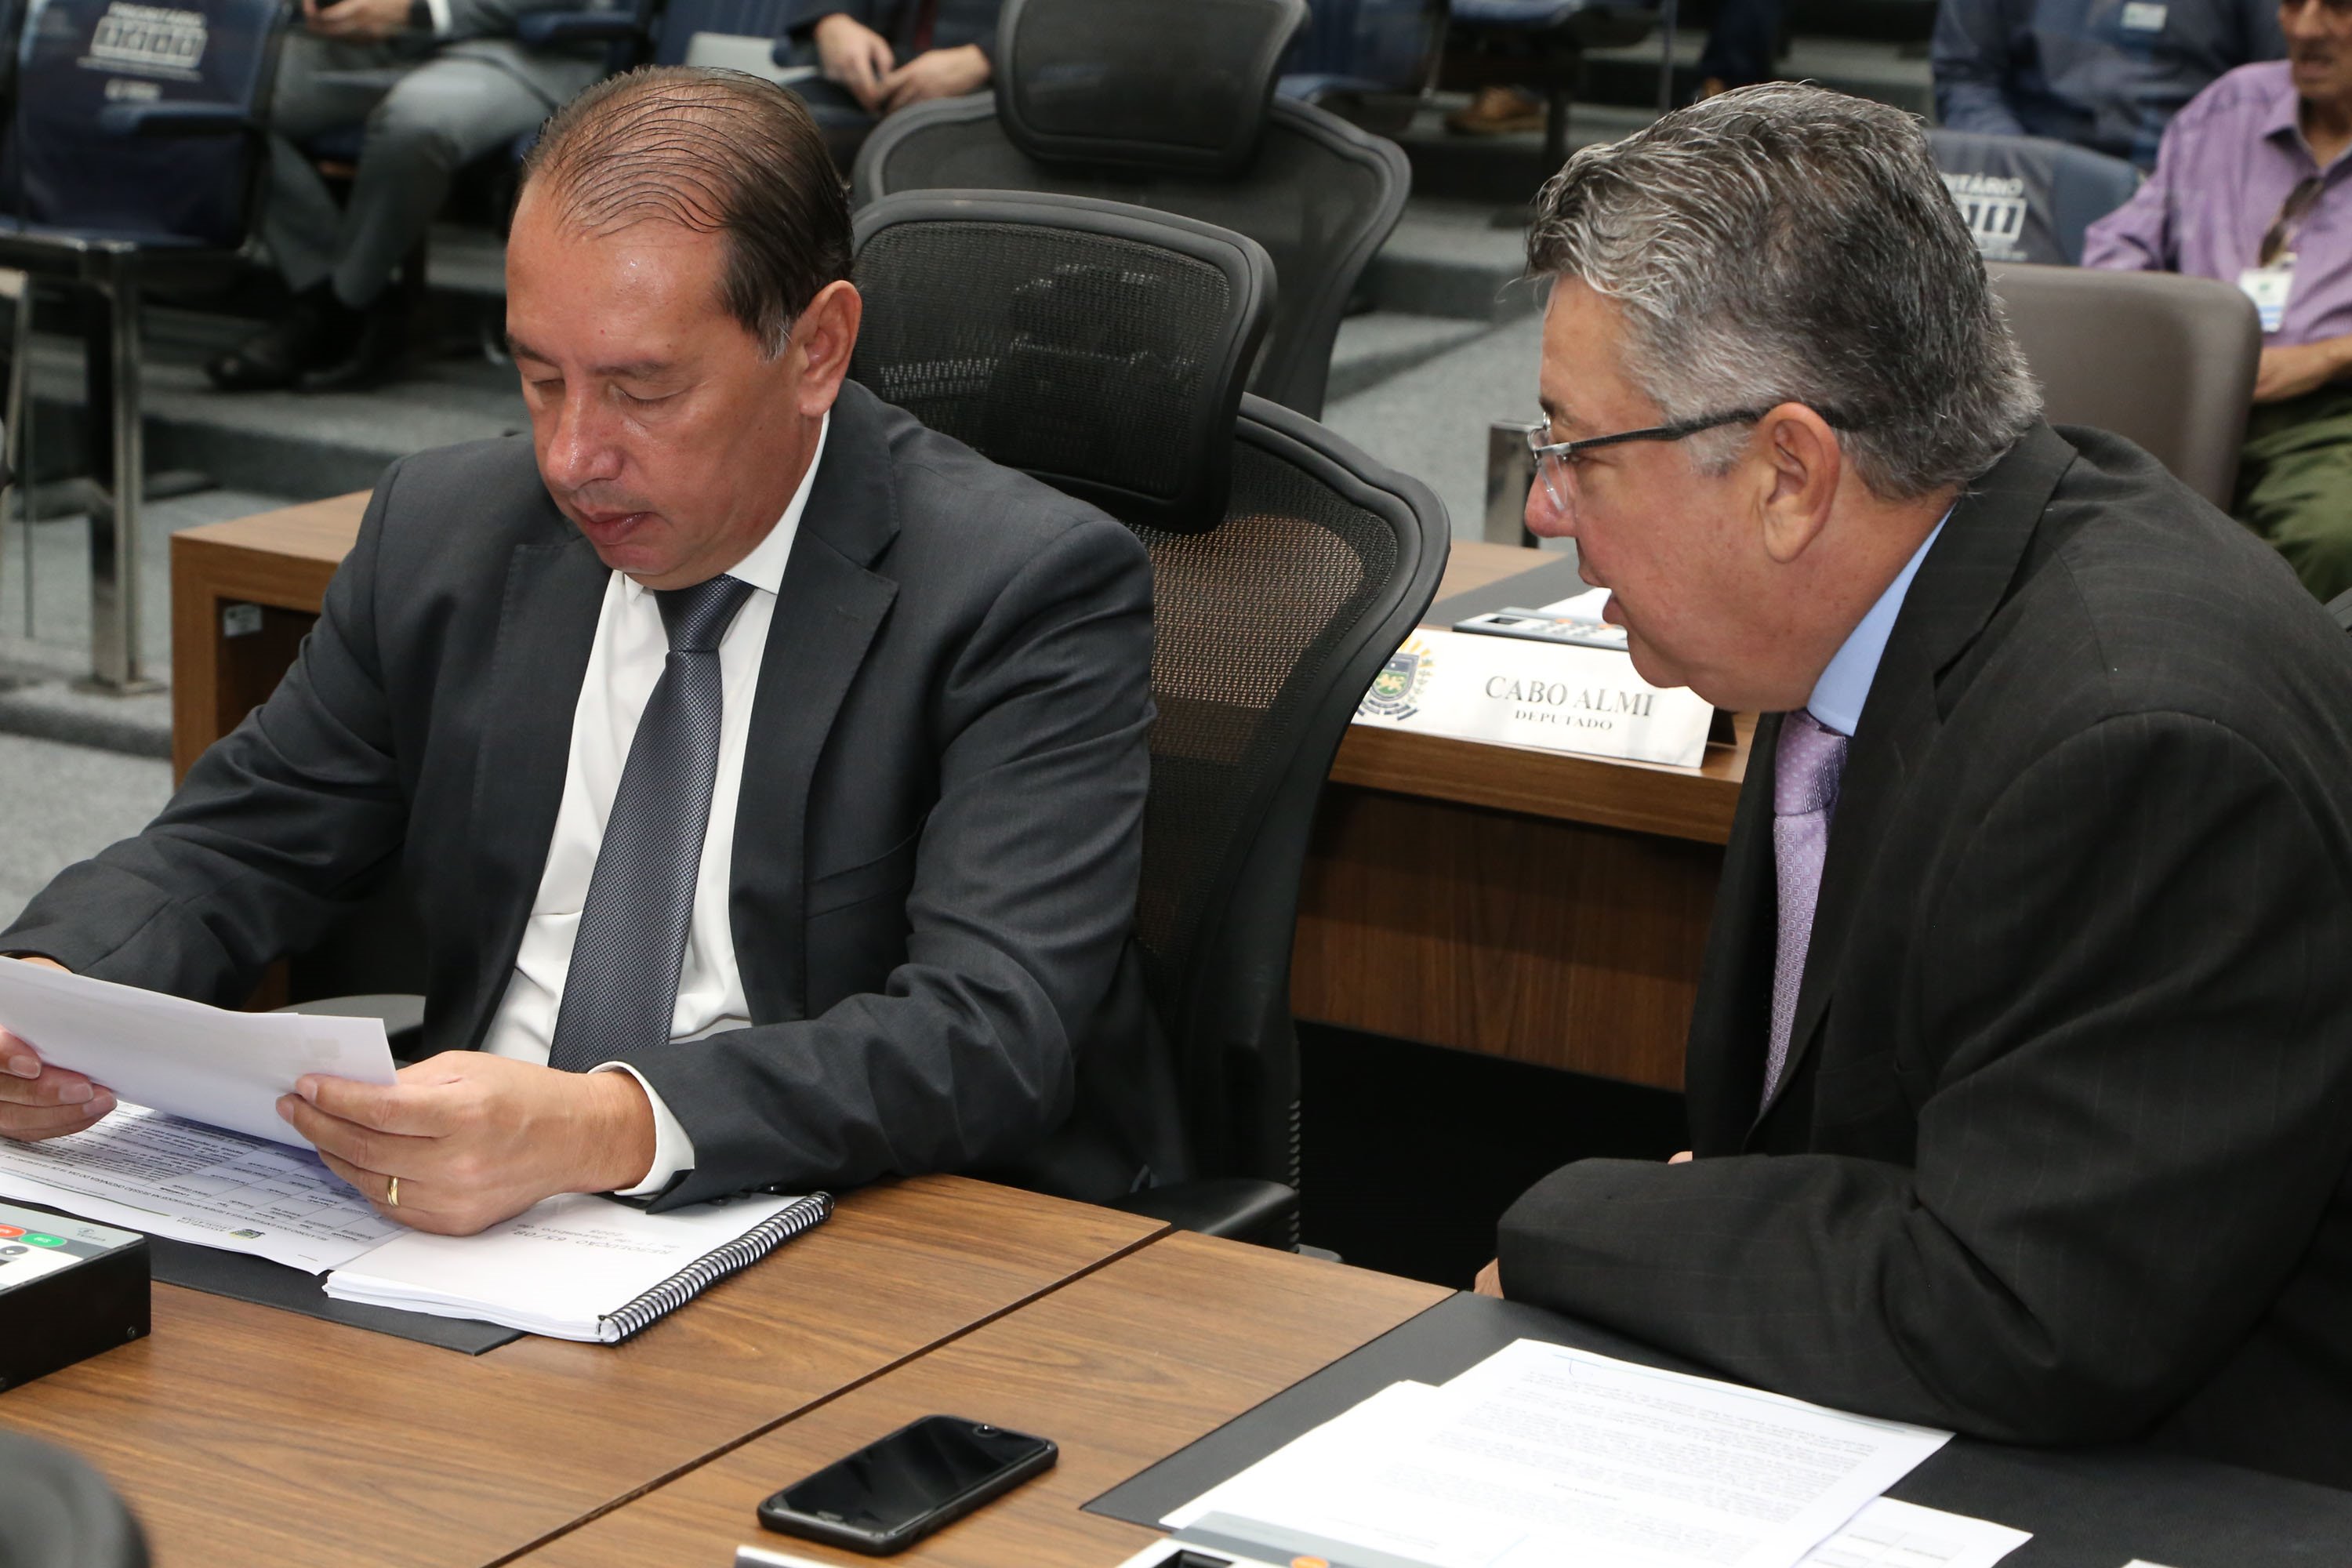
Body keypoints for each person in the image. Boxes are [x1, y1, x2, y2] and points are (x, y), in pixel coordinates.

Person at [0, 67, 1179, 1236]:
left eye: (640, 390)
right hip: (455, 1221)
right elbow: (234, 846)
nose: (571, 457)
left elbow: (989, 1031)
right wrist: (46, 997)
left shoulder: (1022, 589)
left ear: (818, 348)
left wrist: (606, 1125)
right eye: (538, 377)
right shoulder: (444, 531)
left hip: (851, 1219)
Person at [1477, 82, 2352, 1490]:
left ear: (1789, 474)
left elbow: (2020, 1310)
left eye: (1577, 449)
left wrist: (1590, 1225)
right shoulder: (1877, 609)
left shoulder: (2138, 748)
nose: (1542, 506)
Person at [2085, 0, 2352, 601]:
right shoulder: (2231, 104)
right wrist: (2171, 338)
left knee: (2332, 534)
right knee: (2071, 505)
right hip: (2189, 389)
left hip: (2329, 412)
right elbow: (2121, 244)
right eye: (2293, 4)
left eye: (2337, 7)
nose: (2305, 28)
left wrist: (2329, 356)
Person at [205, 0, 610, 391]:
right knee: (221, 91)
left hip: (515, 49)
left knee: (415, 125)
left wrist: (415, 10)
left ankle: (343, 309)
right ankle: (333, 293)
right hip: (381, 44)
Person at [1933, 0, 2282, 168]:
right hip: (2037, 177)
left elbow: (2276, 94)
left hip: (2185, 185)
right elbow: (1966, 77)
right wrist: (2019, 168)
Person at [781, 0, 1001, 155]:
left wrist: (987, 57)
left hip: (994, 102)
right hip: (868, 89)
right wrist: (831, 20)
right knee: (772, 127)